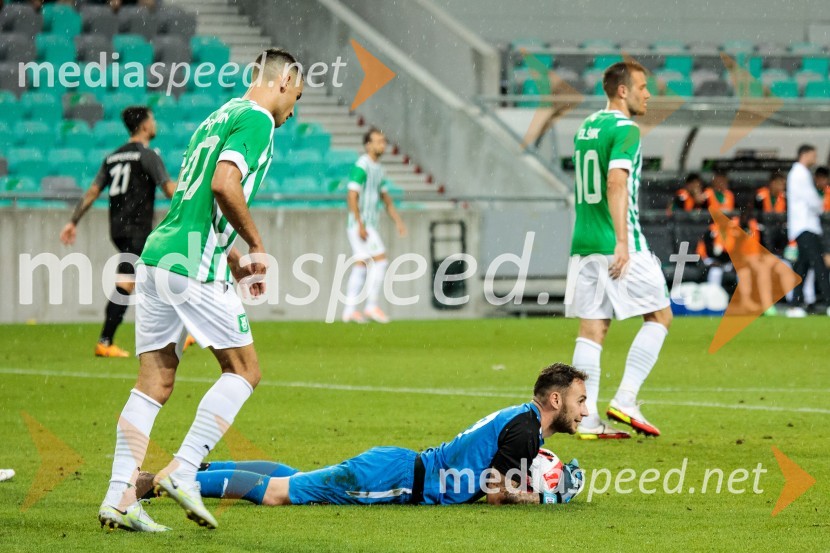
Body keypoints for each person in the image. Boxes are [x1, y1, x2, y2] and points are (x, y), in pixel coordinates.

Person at [98, 48, 304, 533]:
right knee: (245, 370)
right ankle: (185, 471)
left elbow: (195, 204)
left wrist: (230, 256)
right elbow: (224, 185)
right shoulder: (259, 122)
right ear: (282, 81)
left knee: (153, 385)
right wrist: (254, 244)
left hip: (157, 257)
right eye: (296, 96)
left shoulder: (216, 117)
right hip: (191, 265)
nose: (294, 110)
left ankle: (118, 498)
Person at [136, 363, 588, 507]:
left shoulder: (523, 420)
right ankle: (171, 482)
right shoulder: (527, 431)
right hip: (395, 480)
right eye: (579, 400)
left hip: (396, 463)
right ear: (554, 400)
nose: (584, 409)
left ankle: (198, 469)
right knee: (279, 493)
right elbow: (494, 491)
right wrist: (547, 497)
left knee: (295, 477)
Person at [565, 61, 672, 440]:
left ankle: (587, 416)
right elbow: (615, 182)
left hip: (584, 241)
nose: (648, 94)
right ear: (622, 91)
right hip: (617, 242)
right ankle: (626, 398)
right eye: (642, 86)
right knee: (660, 316)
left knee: (592, 329)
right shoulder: (626, 128)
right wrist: (622, 242)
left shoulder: (587, 126)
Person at [60, 106, 176, 358]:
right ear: (145, 125)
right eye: (153, 119)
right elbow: (169, 191)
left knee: (150, 276)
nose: (155, 124)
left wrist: (73, 221)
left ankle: (173, 334)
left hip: (118, 228)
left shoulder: (113, 157)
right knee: (139, 278)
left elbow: (92, 191)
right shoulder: (148, 156)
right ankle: (106, 340)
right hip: (138, 228)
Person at [341, 128, 407, 324]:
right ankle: (371, 306)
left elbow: (386, 199)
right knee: (381, 261)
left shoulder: (378, 169)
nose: (382, 145)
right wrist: (360, 224)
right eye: (378, 141)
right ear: (368, 145)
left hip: (366, 225)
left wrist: (398, 221)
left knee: (362, 264)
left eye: (383, 141)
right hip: (361, 225)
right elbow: (352, 195)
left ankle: (349, 311)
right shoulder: (362, 166)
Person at [787, 145, 829, 314]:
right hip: (806, 226)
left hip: (803, 226)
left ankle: (795, 304)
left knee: (802, 267)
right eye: (813, 154)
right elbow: (812, 199)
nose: (815, 157)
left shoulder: (799, 173)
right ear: (804, 155)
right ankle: (828, 302)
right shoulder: (800, 174)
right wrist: (819, 206)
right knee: (819, 265)